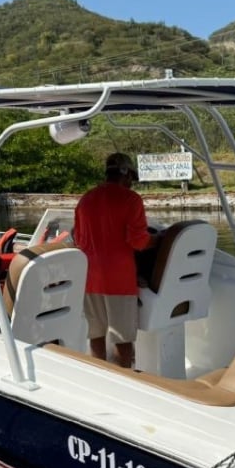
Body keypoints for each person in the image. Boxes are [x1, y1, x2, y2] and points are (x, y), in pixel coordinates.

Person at [72, 152, 155, 367]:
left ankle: (100, 375)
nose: (131, 184)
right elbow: (139, 242)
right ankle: (124, 378)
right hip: (119, 280)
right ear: (126, 175)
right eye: (131, 179)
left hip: (90, 278)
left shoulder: (85, 200)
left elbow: (79, 240)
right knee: (122, 337)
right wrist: (157, 240)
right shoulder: (131, 199)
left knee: (96, 333)